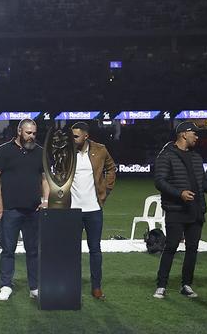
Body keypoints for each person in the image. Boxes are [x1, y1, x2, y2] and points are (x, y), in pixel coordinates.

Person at [151, 121, 207, 300]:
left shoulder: (196, 158)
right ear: (183, 134)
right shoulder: (166, 155)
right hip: (176, 209)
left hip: (196, 209)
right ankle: (161, 285)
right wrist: (179, 193)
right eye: (194, 134)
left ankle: (186, 284)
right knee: (171, 247)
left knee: (192, 249)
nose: (197, 137)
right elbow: (160, 181)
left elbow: (201, 183)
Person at [0, 118, 46, 301]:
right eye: (28, 133)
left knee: (33, 250)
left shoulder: (40, 152)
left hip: (33, 210)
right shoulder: (4, 150)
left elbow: (45, 178)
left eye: (34, 133)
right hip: (11, 210)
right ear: (20, 131)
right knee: (8, 249)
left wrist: (45, 200)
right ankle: (6, 285)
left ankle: (34, 287)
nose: (32, 136)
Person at [68, 122, 117, 300]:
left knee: (95, 249)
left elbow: (111, 168)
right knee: (71, 250)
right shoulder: (67, 150)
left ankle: (96, 287)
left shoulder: (100, 150)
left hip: (94, 209)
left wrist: (106, 190)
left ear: (86, 136)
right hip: (72, 209)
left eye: (76, 136)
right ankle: (71, 285)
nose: (72, 139)